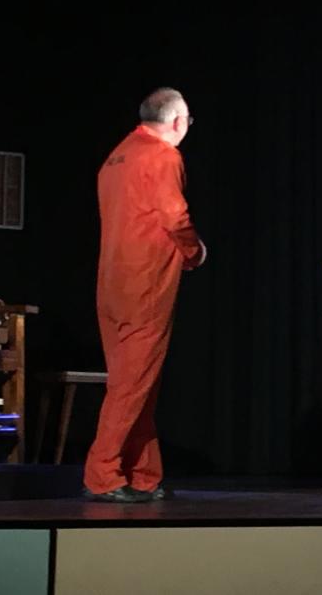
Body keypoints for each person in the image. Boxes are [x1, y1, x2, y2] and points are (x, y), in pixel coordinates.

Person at [83, 87, 206, 503]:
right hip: (145, 285)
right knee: (131, 386)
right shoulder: (163, 155)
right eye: (188, 120)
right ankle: (102, 474)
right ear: (176, 121)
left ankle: (143, 474)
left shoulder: (116, 156)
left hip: (111, 283)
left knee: (137, 382)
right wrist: (194, 252)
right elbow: (175, 215)